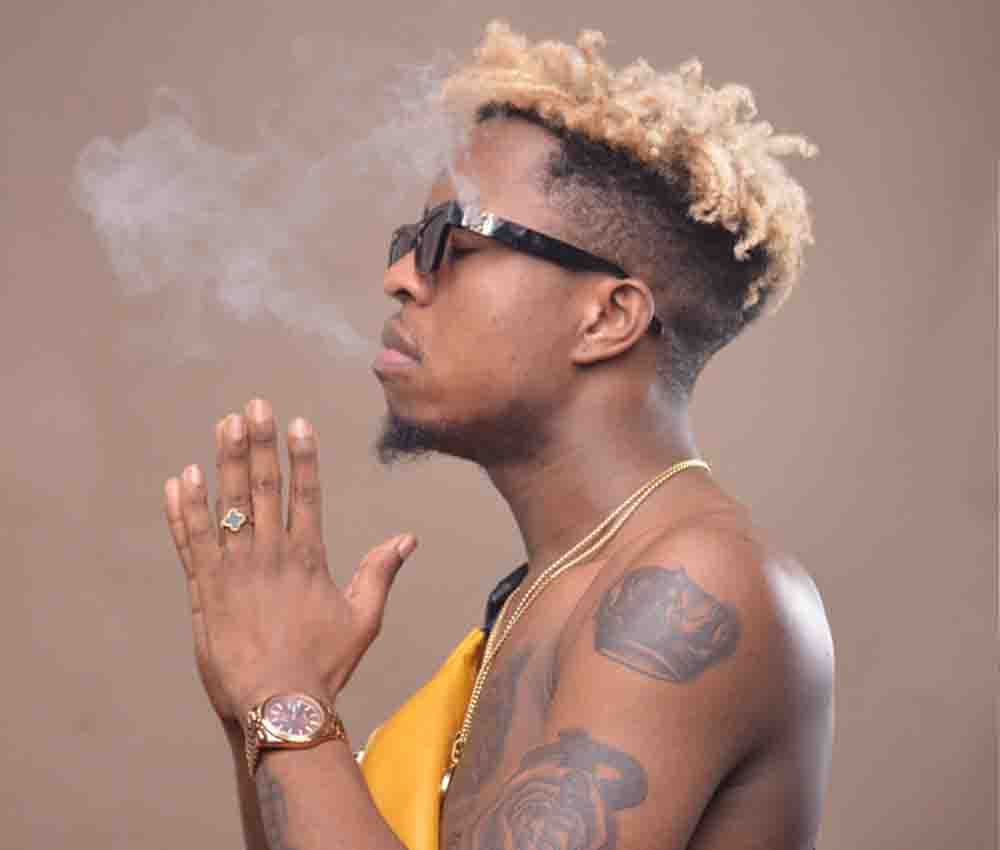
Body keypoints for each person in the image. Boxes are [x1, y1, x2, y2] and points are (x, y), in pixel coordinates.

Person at [163, 20, 834, 850]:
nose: (400, 277)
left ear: (607, 317)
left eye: (454, 240)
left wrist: (283, 690)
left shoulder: (689, 586)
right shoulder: (550, 591)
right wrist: (257, 697)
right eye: (411, 242)